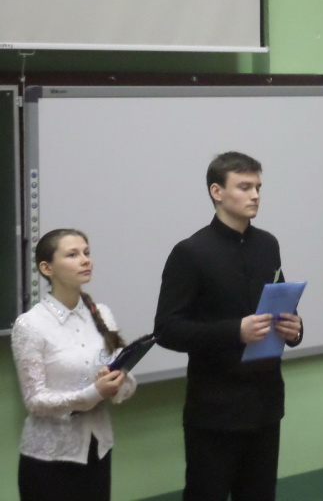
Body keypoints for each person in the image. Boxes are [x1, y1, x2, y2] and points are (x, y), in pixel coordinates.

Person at [154, 151, 303, 501]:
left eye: (258, 187)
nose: (255, 195)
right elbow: (167, 329)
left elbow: (282, 303)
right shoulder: (191, 252)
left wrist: (295, 329)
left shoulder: (268, 244)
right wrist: (234, 331)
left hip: (266, 404)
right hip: (215, 409)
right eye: (245, 187)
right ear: (217, 192)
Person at [11, 228, 136, 501]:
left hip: (98, 450)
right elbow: (35, 401)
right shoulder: (30, 324)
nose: (85, 260)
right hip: (49, 460)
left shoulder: (102, 313)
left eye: (87, 253)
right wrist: (92, 394)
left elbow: (124, 378)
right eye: (72, 255)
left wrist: (119, 384)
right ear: (47, 268)